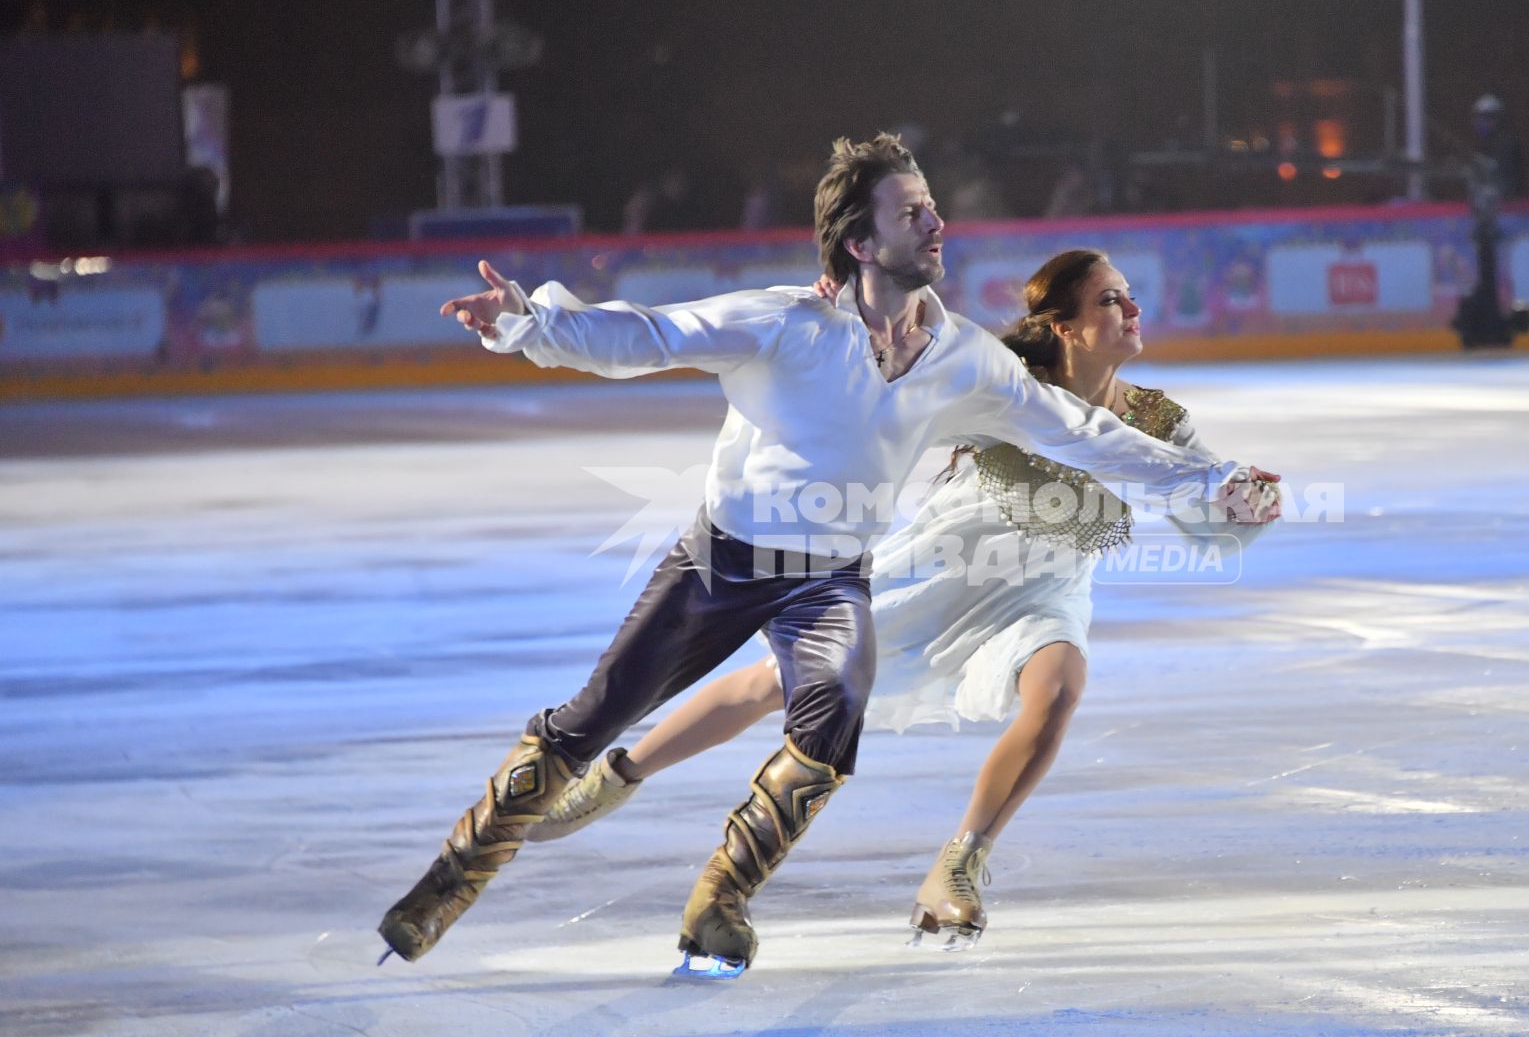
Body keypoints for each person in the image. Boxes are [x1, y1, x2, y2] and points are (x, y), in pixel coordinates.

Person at [378, 134, 1281, 976]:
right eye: (912, 212)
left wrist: (1213, 485)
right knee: (592, 717)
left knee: (830, 726)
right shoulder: (785, 325)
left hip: (831, 582)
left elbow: (1088, 434)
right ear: (859, 244)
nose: (936, 224)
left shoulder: (963, 358)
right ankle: (449, 881)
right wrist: (529, 324)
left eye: (932, 208)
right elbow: (650, 337)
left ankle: (718, 902)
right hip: (722, 562)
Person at [526, 248, 1271, 948]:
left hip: (1047, 589)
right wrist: (844, 307)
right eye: (1112, 299)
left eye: (1132, 297)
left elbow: (1204, 514)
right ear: (1067, 326)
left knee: (1060, 685)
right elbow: (889, 358)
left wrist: (1241, 509)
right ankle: (617, 777)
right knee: (772, 685)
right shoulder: (1000, 379)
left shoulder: (1161, 421)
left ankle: (958, 864)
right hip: (940, 568)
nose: (1133, 308)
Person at [1470, 95, 1527, 199]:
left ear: (1496, 119)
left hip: (1508, 201)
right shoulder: (1485, 142)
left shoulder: (1507, 143)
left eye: (1485, 118)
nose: (1479, 122)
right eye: (1478, 118)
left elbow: (1508, 177)